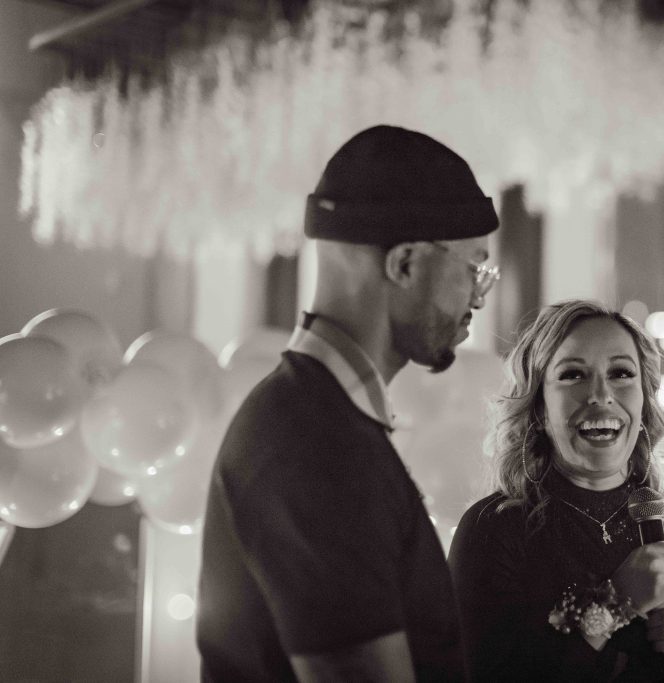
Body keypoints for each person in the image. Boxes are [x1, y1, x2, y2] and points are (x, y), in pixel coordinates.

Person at [196, 124, 500, 683]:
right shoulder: (314, 444)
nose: (478, 298)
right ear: (405, 264)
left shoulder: (321, 417)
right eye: (474, 270)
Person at [449, 300, 664, 682]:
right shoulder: (493, 529)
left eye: (621, 373)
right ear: (538, 408)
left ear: (645, 400)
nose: (600, 395)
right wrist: (615, 602)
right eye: (573, 375)